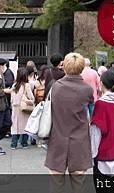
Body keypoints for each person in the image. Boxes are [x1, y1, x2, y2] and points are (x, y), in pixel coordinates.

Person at [45, 52, 94, 193]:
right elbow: (92, 108)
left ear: (64, 67)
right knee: (78, 183)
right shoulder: (87, 90)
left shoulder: (56, 87)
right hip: (79, 140)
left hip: (58, 137)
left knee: (56, 181)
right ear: (82, 68)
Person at [10, 67, 34, 149]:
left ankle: (13, 144)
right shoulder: (26, 85)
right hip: (23, 108)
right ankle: (24, 143)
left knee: (15, 126)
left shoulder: (14, 85)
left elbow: (12, 99)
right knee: (24, 126)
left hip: (15, 108)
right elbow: (31, 97)